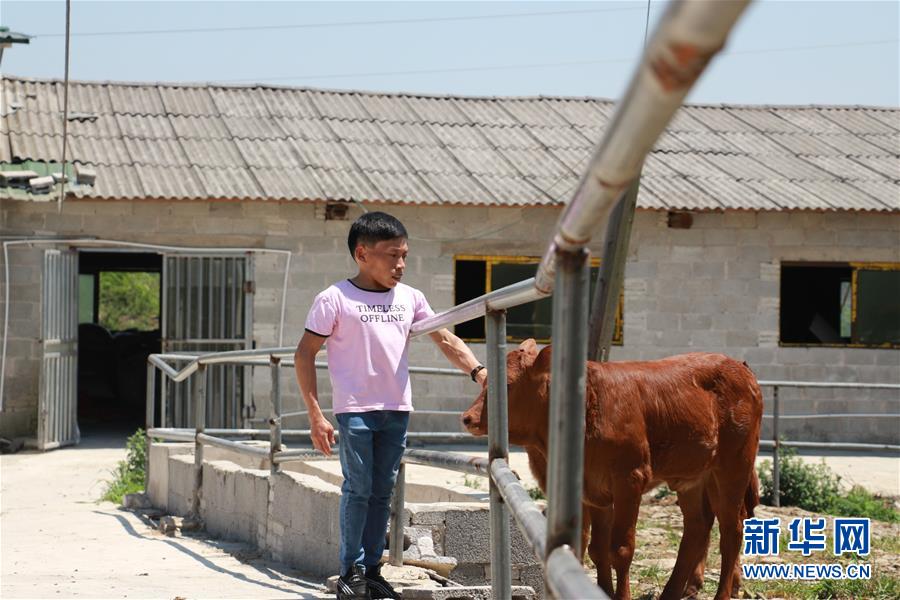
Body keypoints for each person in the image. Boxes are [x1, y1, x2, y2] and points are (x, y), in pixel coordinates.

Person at [294, 211, 487, 600]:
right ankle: (350, 571)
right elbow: (304, 355)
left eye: (404, 256)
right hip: (354, 412)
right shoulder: (334, 299)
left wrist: (480, 372)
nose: (399, 265)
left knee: (383, 491)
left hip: (396, 409)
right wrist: (316, 415)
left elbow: (445, 339)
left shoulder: (410, 298)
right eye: (391, 256)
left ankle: (373, 570)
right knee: (359, 488)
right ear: (362, 253)